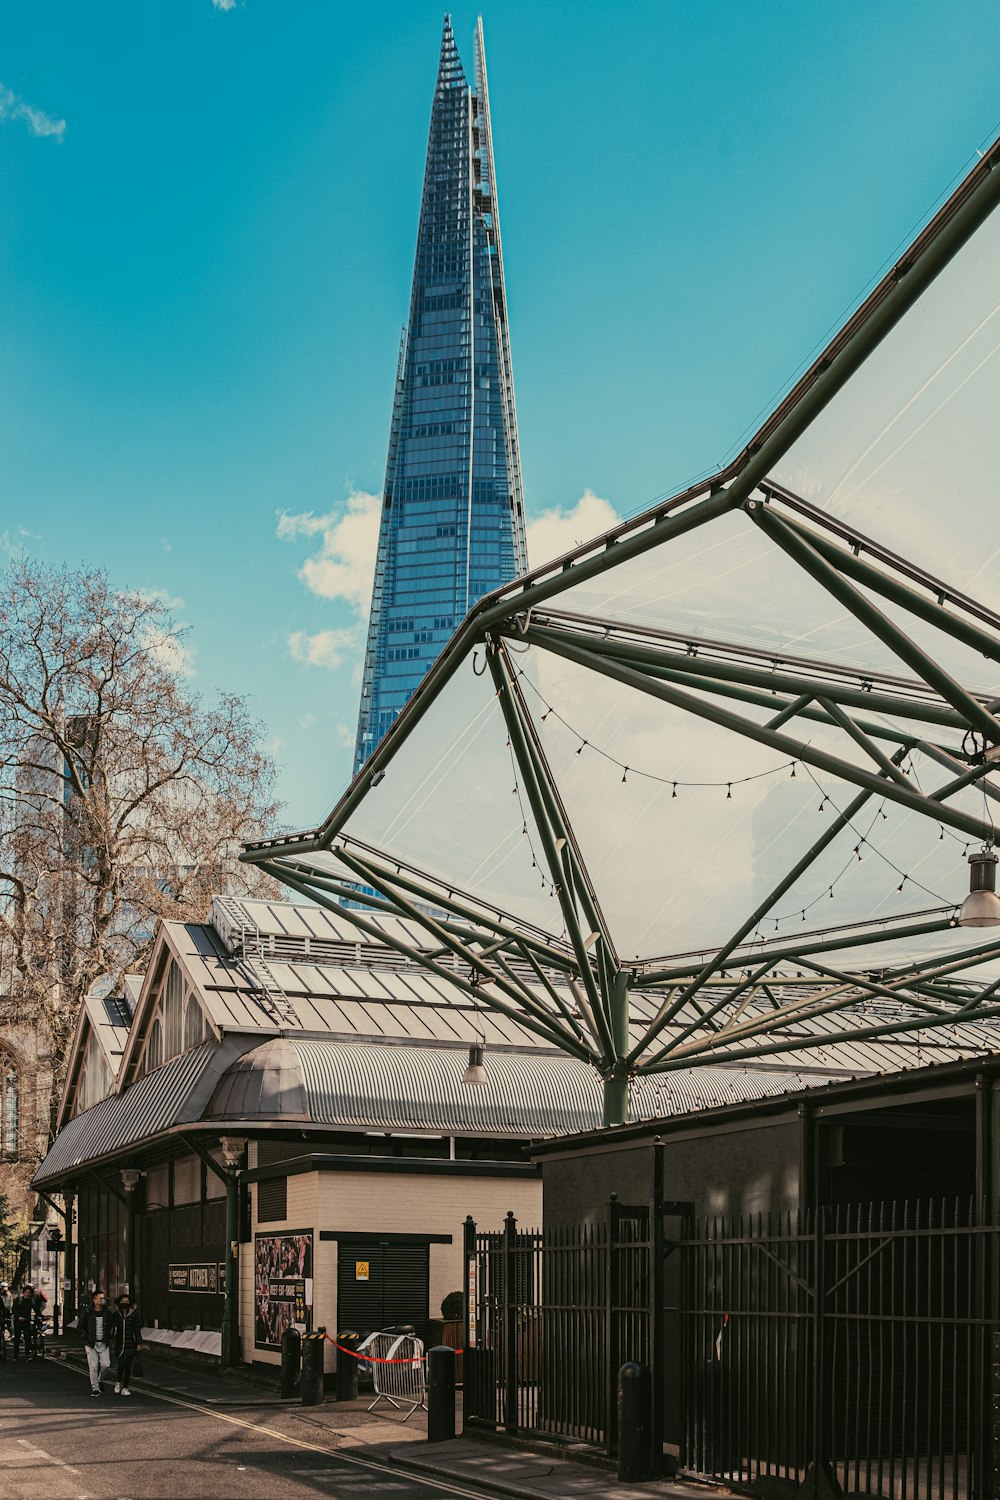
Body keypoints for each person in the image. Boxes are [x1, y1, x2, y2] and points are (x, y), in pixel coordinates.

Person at [78, 1290, 112, 1395]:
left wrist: (111, 1335)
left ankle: (100, 1381)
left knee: (106, 1365)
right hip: (91, 1343)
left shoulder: (107, 1311)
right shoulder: (88, 1312)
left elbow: (111, 1325)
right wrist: (86, 1337)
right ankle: (95, 1389)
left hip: (104, 1342)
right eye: (100, 1298)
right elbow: (80, 1326)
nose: (102, 1300)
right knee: (93, 1367)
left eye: (103, 1298)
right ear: (94, 1300)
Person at [109, 1293, 142, 1396]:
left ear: (130, 1303)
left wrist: (139, 1343)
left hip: (130, 1344)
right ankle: (118, 1383)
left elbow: (137, 1329)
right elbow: (111, 1328)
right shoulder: (115, 1315)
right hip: (119, 1345)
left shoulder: (134, 1314)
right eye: (123, 1302)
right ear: (119, 1302)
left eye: (127, 1302)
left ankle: (125, 1387)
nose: (125, 1303)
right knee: (121, 1365)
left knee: (128, 1367)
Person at [12, 1285, 37, 1360]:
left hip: (26, 1321)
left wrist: (40, 1316)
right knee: (17, 1339)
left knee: (27, 1338)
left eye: (29, 1292)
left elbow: (36, 1309)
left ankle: (27, 1355)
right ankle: (15, 1355)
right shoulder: (18, 1300)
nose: (28, 1294)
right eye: (26, 1292)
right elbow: (14, 1310)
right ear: (23, 1293)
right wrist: (18, 1317)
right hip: (18, 1322)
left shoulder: (31, 1300)